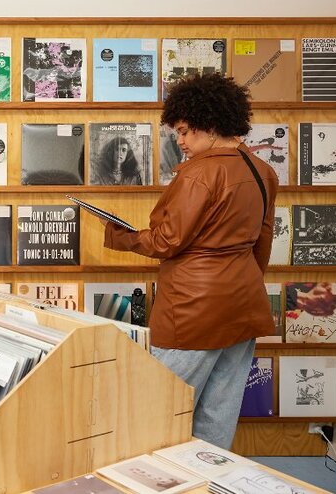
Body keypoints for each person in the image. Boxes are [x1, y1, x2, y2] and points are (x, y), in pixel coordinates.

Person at [103, 72, 277, 449]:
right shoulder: (262, 171)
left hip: (193, 308)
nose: (180, 141)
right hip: (243, 302)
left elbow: (167, 240)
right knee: (219, 415)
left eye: (184, 131)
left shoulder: (200, 172)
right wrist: (240, 281)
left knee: (160, 410)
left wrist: (121, 236)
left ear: (209, 124)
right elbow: (262, 242)